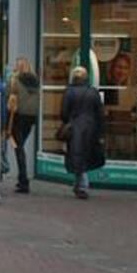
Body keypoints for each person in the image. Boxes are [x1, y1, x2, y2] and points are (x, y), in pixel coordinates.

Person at [59, 65, 102, 200]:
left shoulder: (69, 92)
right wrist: (100, 131)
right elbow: (100, 113)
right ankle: (79, 185)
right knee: (84, 154)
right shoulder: (93, 92)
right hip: (91, 127)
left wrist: (68, 121)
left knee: (76, 155)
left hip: (75, 127)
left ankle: (82, 185)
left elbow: (64, 113)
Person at [6, 57, 40, 194]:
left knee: (17, 147)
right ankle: (22, 179)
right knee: (20, 146)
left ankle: (23, 180)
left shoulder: (15, 81)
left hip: (17, 117)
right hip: (31, 118)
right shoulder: (36, 81)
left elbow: (9, 98)